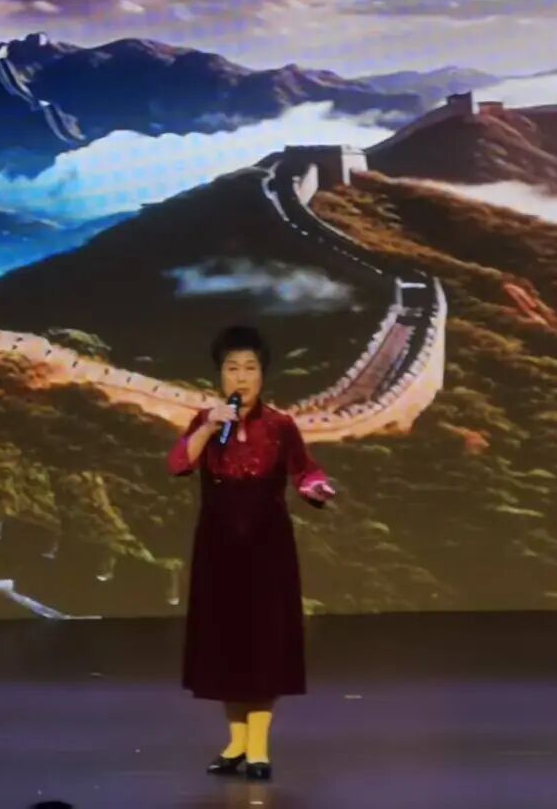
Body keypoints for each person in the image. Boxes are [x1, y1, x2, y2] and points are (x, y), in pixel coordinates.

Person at [167, 325, 336, 782]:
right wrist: (209, 426)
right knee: (226, 643)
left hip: (267, 548)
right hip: (218, 546)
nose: (241, 377)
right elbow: (179, 464)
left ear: (263, 374)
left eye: (249, 368)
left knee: (263, 644)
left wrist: (316, 488)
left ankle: (258, 746)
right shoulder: (207, 422)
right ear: (220, 375)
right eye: (232, 368)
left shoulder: (280, 426)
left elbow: (306, 472)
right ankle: (237, 742)